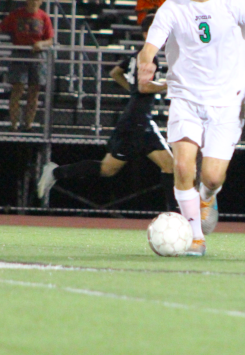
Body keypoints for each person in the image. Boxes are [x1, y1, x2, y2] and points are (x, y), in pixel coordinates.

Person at [137, 0, 245, 256]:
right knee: (182, 165)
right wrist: (146, 61)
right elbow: (150, 46)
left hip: (228, 101)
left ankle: (206, 196)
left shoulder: (239, 3)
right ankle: (195, 237)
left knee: (213, 176)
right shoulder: (172, 7)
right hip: (186, 97)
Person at [37, 14, 175, 209]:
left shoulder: (139, 55)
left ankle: (55, 172)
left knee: (110, 169)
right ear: (147, 34)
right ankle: (175, 214)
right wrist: (167, 84)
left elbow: (115, 73)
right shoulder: (147, 57)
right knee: (167, 166)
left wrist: (134, 91)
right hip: (137, 122)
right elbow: (144, 87)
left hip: (138, 120)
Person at [0, 0, 54, 132]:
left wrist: (41, 43)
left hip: (37, 55)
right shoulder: (16, 15)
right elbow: (0, 27)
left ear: (40, 1)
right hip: (20, 53)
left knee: (34, 91)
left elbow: (50, 39)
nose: (34, 1)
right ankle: (14, 123)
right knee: (18, 88)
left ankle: (28, 124)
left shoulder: (44, 17)